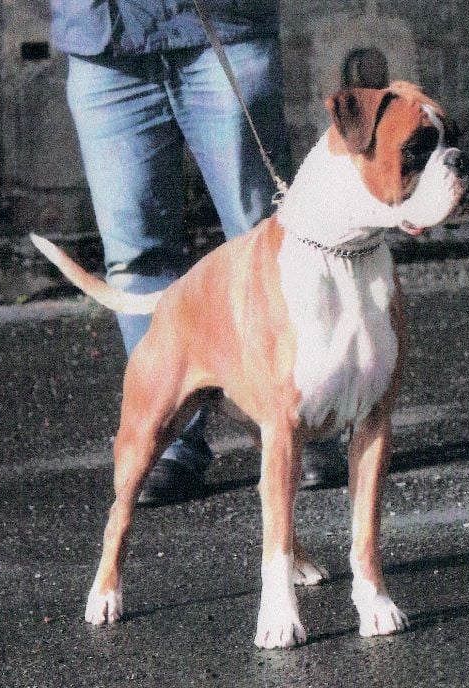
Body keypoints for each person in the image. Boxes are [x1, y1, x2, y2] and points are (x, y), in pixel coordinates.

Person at [49, 0, 342, 506]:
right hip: (103, 39)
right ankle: (170, 441)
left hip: (221, 28)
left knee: (266, 239)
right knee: (135, 257)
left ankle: (307, 421)